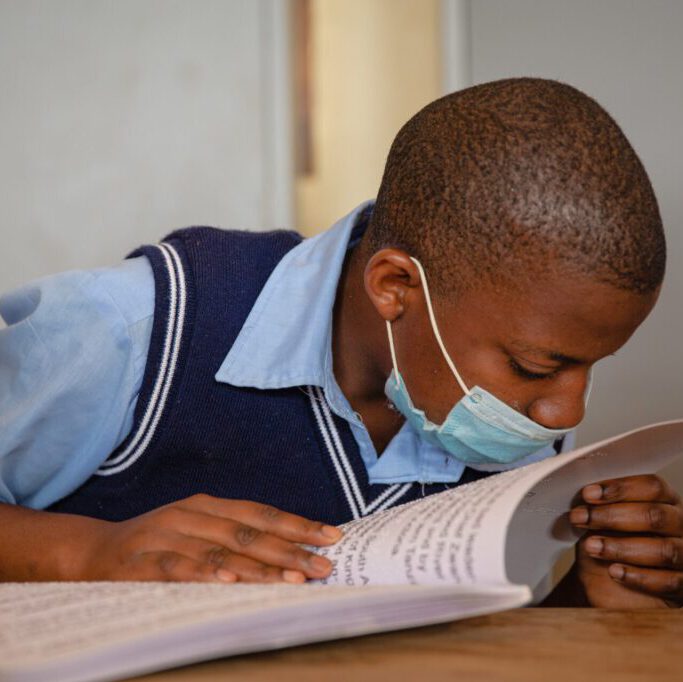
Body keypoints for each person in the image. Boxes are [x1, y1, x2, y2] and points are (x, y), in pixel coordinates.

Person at [0, 78, 679, 608]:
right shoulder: (142, 324)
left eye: (590, 367)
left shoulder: (511, 419)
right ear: (394, 287)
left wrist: (587, 594)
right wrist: (86, 553)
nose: (567, 412)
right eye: (539, 365)